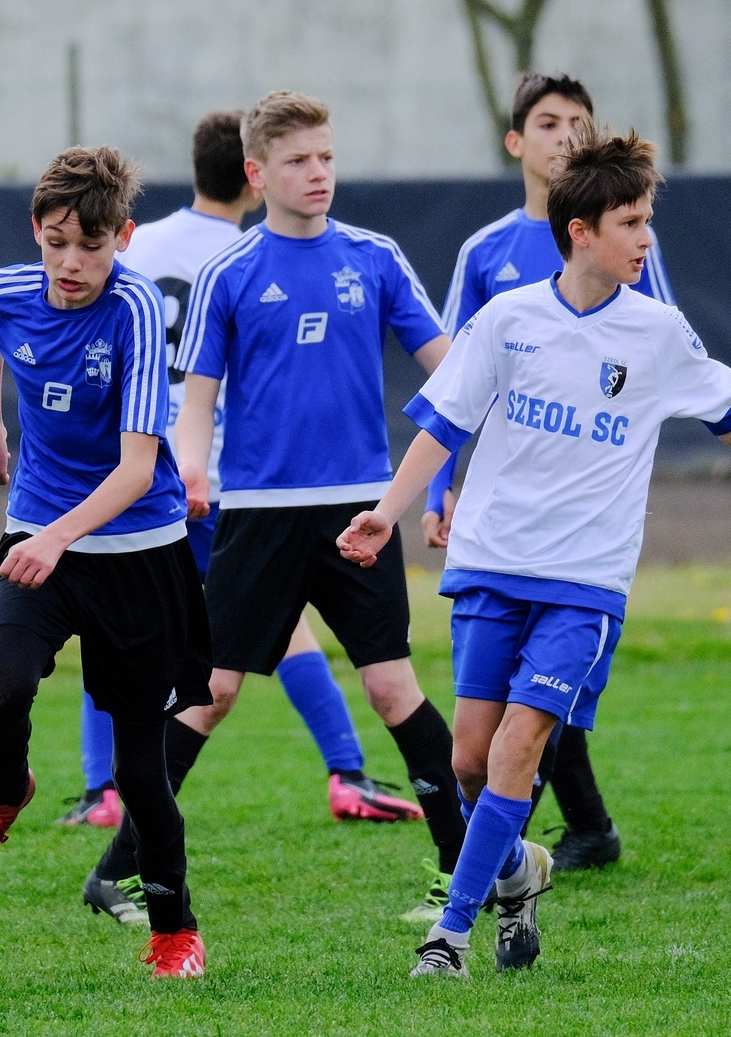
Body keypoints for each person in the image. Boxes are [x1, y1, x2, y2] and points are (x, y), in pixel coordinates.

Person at [338, 125, 731, 977]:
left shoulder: (657, 333)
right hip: (492, 565)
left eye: (648, 220)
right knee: (468, 759)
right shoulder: (508, 320)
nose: (647, 238)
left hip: (584, 584)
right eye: (632, 223)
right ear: (581, 231)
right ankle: (519, 871)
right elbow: (443, 426)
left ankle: (449, 938)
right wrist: (388, 513)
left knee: (516, 749)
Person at [89, 89, 470, 924]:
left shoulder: (374, 257)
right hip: (257, 514)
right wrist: (191, 470)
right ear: (257, 174)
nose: (318, 172)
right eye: (298, 160)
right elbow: (197, 400)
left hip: (358, 512)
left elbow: (454, 376)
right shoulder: (230, 272)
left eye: (327, 156)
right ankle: (117, 871)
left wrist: (456, 466)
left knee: (392, 688)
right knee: (211, 691)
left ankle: (463, 874)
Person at [0, 145, 212, 979]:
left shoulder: (133, 311)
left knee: (139, 772)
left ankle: (174, 931)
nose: (71, 263)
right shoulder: (2, 290)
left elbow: (136, 470)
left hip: (137, 550)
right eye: (56, 243)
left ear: (122, 238)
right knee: (3, 685)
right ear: (36, 231)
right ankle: (2, 794)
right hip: (39, 532)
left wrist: (57, 538)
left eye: (91, 246)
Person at [428, 73, 675, 873]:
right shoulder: (487, 255)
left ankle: (486, 881)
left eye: (577, 121)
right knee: (506, 718)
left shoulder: (627, 247)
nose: (565, 133)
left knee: (529, 708)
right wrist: (438, 489)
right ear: (515, 142)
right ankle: (563, 839)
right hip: (506, 516)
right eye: (547, 121)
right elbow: (454, 387)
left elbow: (664, 350)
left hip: (580, 521)